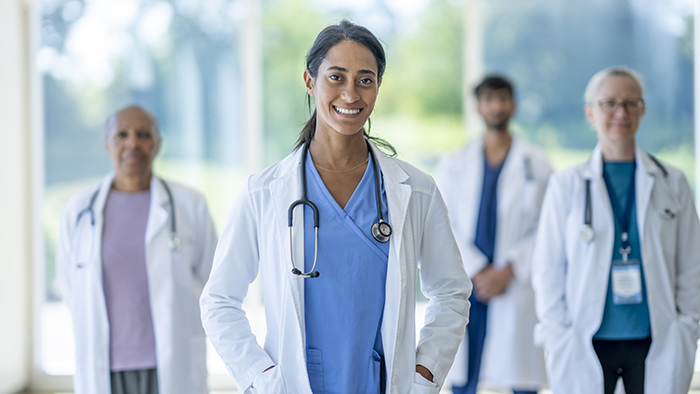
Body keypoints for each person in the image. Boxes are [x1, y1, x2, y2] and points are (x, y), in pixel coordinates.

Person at [200, 20, 471, 394]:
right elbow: (219, 301)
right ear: (310, 82)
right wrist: (261, 377)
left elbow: (451, 290)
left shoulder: (416, 191)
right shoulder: (264, 193)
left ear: (377, 88)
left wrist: (425, 372)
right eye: (336, 77)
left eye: (365, 80)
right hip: (297, 385)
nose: (350, 94)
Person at [531, 66, 700, 394]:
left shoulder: (673, 181)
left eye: (630, 103)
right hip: (584, 338)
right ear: (590, 113)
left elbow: (692, 264)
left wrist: (688, 324)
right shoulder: (566, 185)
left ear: (643, 110)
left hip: (656, 336)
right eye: (608, 103)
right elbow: (548, 267)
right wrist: (558, 331)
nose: (620, 112)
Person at [55, 105, 218, 394]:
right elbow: (72, 286)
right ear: (107, 143)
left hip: (171, 358)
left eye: (144, 134)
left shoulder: (190, 205)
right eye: (121, 134)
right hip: (105, 364)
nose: (133, 143)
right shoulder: (80, 210)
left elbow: (211, 282)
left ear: (157, 144)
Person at [436, 76, 551, 394]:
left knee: (521, 375)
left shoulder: (537, 164)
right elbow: (443, 221)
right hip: (469, 278)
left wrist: (509, 268)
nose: (496, 106)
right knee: (464, 373)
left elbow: (547, 226)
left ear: (513, 105)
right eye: (489, 99)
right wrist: (477, 269)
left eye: (502, 99)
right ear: (478, 106)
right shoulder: (455, 163)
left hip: (512, 280)